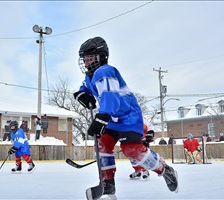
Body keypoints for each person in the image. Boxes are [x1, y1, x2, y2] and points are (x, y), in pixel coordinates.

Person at [73, 36, 178, 197]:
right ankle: (107, 183)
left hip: (128, 116)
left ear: (101, 57)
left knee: (131, 150)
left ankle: (166, 170)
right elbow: (86, 86)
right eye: (84, 59)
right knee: (102, 144)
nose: (86, 63)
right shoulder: (91, 76)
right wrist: (81, 94)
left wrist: (101, 118)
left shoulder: (105, 71)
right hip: (112, 119)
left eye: (89, 58)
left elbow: (111, 98)